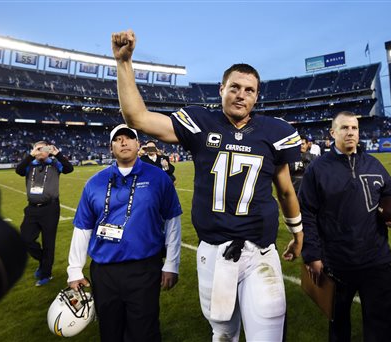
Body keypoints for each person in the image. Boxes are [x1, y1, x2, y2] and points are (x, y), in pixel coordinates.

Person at [112, 29, 303, 341]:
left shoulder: (274, 132)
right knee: (223, 333)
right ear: (221, 89)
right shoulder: (201, 122)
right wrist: (124, 62)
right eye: (235, 87)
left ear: (256, 96)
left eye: (249, 90)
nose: (242, 94)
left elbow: (285, 190)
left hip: (261, 251)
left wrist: (298, 234)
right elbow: (137, 118)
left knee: (268, 334)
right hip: (215, 252)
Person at [299, 111, 391, 342]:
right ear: (333, 133)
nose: (350, 132)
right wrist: (312, 254)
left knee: (382, 327)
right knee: (338, 324)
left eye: (354, 128)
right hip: (337, 261)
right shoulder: (318, 169)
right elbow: (307, 213)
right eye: (344, 128)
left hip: (376, 259)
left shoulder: (373, 163)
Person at [66, 124, 182, 341]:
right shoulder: (94, 183)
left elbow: (172, 221)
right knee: (110, 331)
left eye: (129, 138)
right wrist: (74, 270)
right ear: (111, 148)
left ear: (138, 144)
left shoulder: (158, 178)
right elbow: (83, 227)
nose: (123, 142)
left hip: (145, 268)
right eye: (117, 139)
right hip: (104, 271)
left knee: (144, 331)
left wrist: (172, 264)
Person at [15, 141, 73, 286]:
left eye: (44, 149)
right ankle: (43, 260)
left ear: (49, 150)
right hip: (32, 208)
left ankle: (46, 273)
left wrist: (57, 154)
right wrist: (31, 155)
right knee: (25, 239)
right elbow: (19, 170)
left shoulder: (54, 164)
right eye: (38, 149)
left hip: (50, 208)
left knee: (48, 242)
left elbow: (69, 168)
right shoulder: (30, 164)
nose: (41, 151)